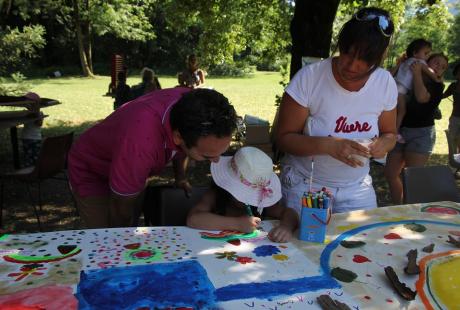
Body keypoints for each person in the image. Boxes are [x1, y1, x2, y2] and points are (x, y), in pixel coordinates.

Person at [276, 7, 397, 215]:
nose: (352, 65)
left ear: (380, 57)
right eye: (348, 52)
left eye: (365, 59)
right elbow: (283, 138)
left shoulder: (384, 82)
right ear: (341, 43)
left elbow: (390, 134)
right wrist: (329, 145)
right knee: (302, 244)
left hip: (357, 188)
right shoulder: (310, 77)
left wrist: (383, 144)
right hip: (305, 185)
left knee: (363, 243)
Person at [68, 87, 237, 228]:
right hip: (93, 170)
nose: (216, 160)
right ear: (178, 137)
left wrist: (180, 177)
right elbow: (121, 208)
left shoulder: (194, 105)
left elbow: (182, 148)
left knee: (130, 222)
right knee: (108, 237)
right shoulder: (141, 142)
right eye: (207, 156)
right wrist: (118, 241)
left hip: (131, 162)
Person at [187, 146, 299, 243]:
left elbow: (290, 213)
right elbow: (193, 219)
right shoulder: (216, 195)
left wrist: (286, 227)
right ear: (227, 186)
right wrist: (237, 224)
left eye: (250, 195)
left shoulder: (262, 202)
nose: (246, 199)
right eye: (242, 193)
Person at [385, 53, 448, 204]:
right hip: (400, 131)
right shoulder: (407, 78)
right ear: (425, 61)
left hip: (421, 133)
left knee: (412, 177)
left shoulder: (437, 85)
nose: (439, 67)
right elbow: (386, 80)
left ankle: (410, 211)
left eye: (443, 67)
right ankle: (398, 207)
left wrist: (418, 72)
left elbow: (421, 98)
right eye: (436, 63)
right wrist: (401, 64)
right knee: (390, 173)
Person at [394, 39, 441, 139]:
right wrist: (437, 79)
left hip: (394, 86)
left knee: (394, 111)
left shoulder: (405, 61)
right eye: (426, 53)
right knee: (402, 112)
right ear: (415, 53)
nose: (428, 56)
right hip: (401, 91)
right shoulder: (419, 62)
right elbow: (430, 72)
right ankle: (395, 132)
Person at [20, 92, 44, 168]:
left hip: (35, 138)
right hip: (27, 138)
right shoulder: (26, 113)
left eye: (30, 104)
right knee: (28, 156)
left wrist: (36, 113)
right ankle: (29, 171)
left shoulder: (39, 113)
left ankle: (33, 171)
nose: (27, 105)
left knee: (35, 156)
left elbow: (39, 123)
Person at [444, 63, 460, 152]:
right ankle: (454, 159)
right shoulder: (453, 86)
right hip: (455, 117)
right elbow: (443, 96)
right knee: (453, 139)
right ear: (456, 74)